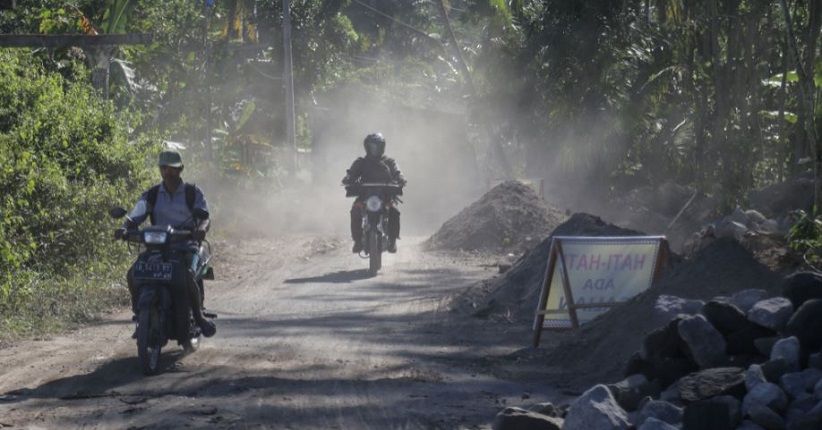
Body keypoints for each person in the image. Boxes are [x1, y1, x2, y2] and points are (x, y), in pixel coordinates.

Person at [117, 150, 216, 337]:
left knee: (186, 276)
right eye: (164, 168)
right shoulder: (152, 194)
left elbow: (205, 218)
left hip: (186, 245)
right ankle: (140, 313)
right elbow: (134, 216)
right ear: (160, 170)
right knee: (133, 274)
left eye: (172, 169)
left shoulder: (192, 192)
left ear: (180, 169)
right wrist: (124, 228)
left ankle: (199, 316)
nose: (168, 173)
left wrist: (201, 230)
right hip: (157, 246)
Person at [342, 133, 406, 253]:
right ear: (366, 147)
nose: (374, 149)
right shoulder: (360, 162)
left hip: (386, 194)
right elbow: (351, 173)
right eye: (372, 146)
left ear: (382, 147)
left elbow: (397, 171)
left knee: (394, 210)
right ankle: (357, 241)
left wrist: (401, 178)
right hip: (365, 195)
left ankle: (392, 240)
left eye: (377, 146)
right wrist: (348, 178)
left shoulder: (389, 161)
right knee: (355, 210)